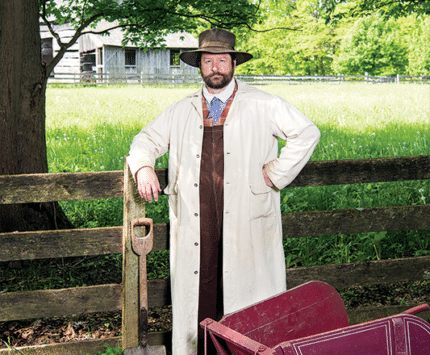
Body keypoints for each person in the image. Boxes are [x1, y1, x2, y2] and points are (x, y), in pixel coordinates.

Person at [127, 28, 321, 355]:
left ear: (233, 63)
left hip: (246, 215)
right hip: (197, 218)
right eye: (208, 61)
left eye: (222, 60)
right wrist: (143, 166)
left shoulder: (263, 103)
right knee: (201, 293)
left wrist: (275, 174)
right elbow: (143, 141)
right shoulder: (181, 110)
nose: (215, 67)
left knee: (246, 294)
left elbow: (307, 132)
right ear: (199, 66)